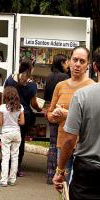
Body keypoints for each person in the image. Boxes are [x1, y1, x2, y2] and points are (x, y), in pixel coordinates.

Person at [52, 46, 100, 199]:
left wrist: (60, 171)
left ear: (93, 66)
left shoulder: (83, 95)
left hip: (88, 170)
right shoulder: (62, 86)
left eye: (82, 61)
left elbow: (70, 139)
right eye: (75, 60)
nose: (78, 64)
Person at [4, 58, 42, 177]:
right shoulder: (32, 85)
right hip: (24, 117)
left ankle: (7, 166)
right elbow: (34, 104)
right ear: (31, 69)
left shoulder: (10, 79)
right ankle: (17, 168)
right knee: (19, 143)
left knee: (8, 142)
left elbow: (4, 95)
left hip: (10, 114)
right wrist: (41, 108)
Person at [44, 54, 70, 184]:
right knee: (61, 145)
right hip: (61, 114)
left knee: (52, 145)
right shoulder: (65, 78)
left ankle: (49, 175)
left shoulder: (49, 77)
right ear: (62, 63)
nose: (69, 65)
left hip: (51, 112)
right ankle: (59, 174)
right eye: (67, 62)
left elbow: (45, 96)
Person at [0, 86, 25, 187]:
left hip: (6, 133)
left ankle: (3, 181)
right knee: (15, 157)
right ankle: (12, 180)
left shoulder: (2, 107)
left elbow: (0, 123)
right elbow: (22, 122)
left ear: (5, 96)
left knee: (5, 157)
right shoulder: (20, 107)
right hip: (16, 133)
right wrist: (16, 120)